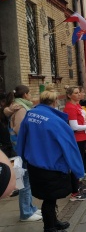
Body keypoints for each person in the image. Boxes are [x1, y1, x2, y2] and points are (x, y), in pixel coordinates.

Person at [16, 84, 84, 232]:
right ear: (54, 103)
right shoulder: (57, 122)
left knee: (50, 198)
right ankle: (49, 227)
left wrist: (21, 158)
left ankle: (54, 221)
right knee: (50, 199)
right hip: (52, 166)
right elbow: (70, 148)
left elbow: (22, 138)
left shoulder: (30, 115)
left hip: (34, 164)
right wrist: (78, 170)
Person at [3, 85, 41, 222]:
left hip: (18, 148)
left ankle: (30, 207)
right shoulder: (21, 109)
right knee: (25, 181)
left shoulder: (16, 106)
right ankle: (26, 212)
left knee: (26, 180)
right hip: (21, 149)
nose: (30, 96)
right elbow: (21, 130)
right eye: (29, 93)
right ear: (25, 95)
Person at [63, 86, 86, 196]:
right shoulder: (70, 107)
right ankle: (75, 191)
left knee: (80, 161)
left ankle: (78, 184)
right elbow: (74, 126)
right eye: (75, 93)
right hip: (77, 138)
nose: (79, 94)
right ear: (69, 95)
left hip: (83, 137)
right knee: (76, 163)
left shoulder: (76, 105)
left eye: (78, 93)